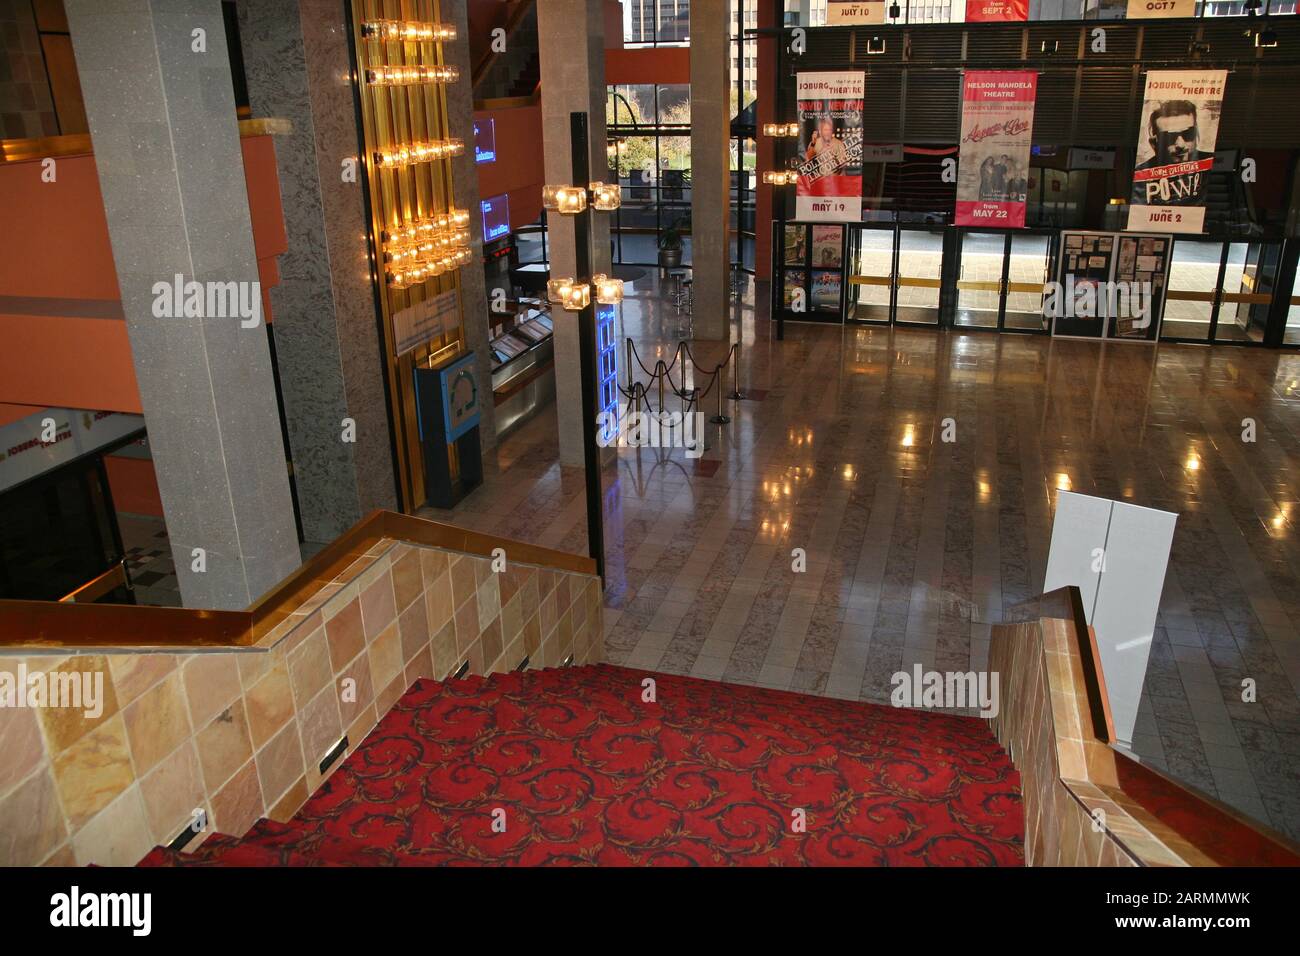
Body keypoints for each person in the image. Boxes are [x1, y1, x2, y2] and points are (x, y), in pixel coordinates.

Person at [1131, 100, 1215, 206]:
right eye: (1170, 137)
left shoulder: (1211, 164)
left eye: (1188, 134)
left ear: (1196, 134)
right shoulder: (1142, 174)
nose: (1180, 144)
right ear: (1154, 143)